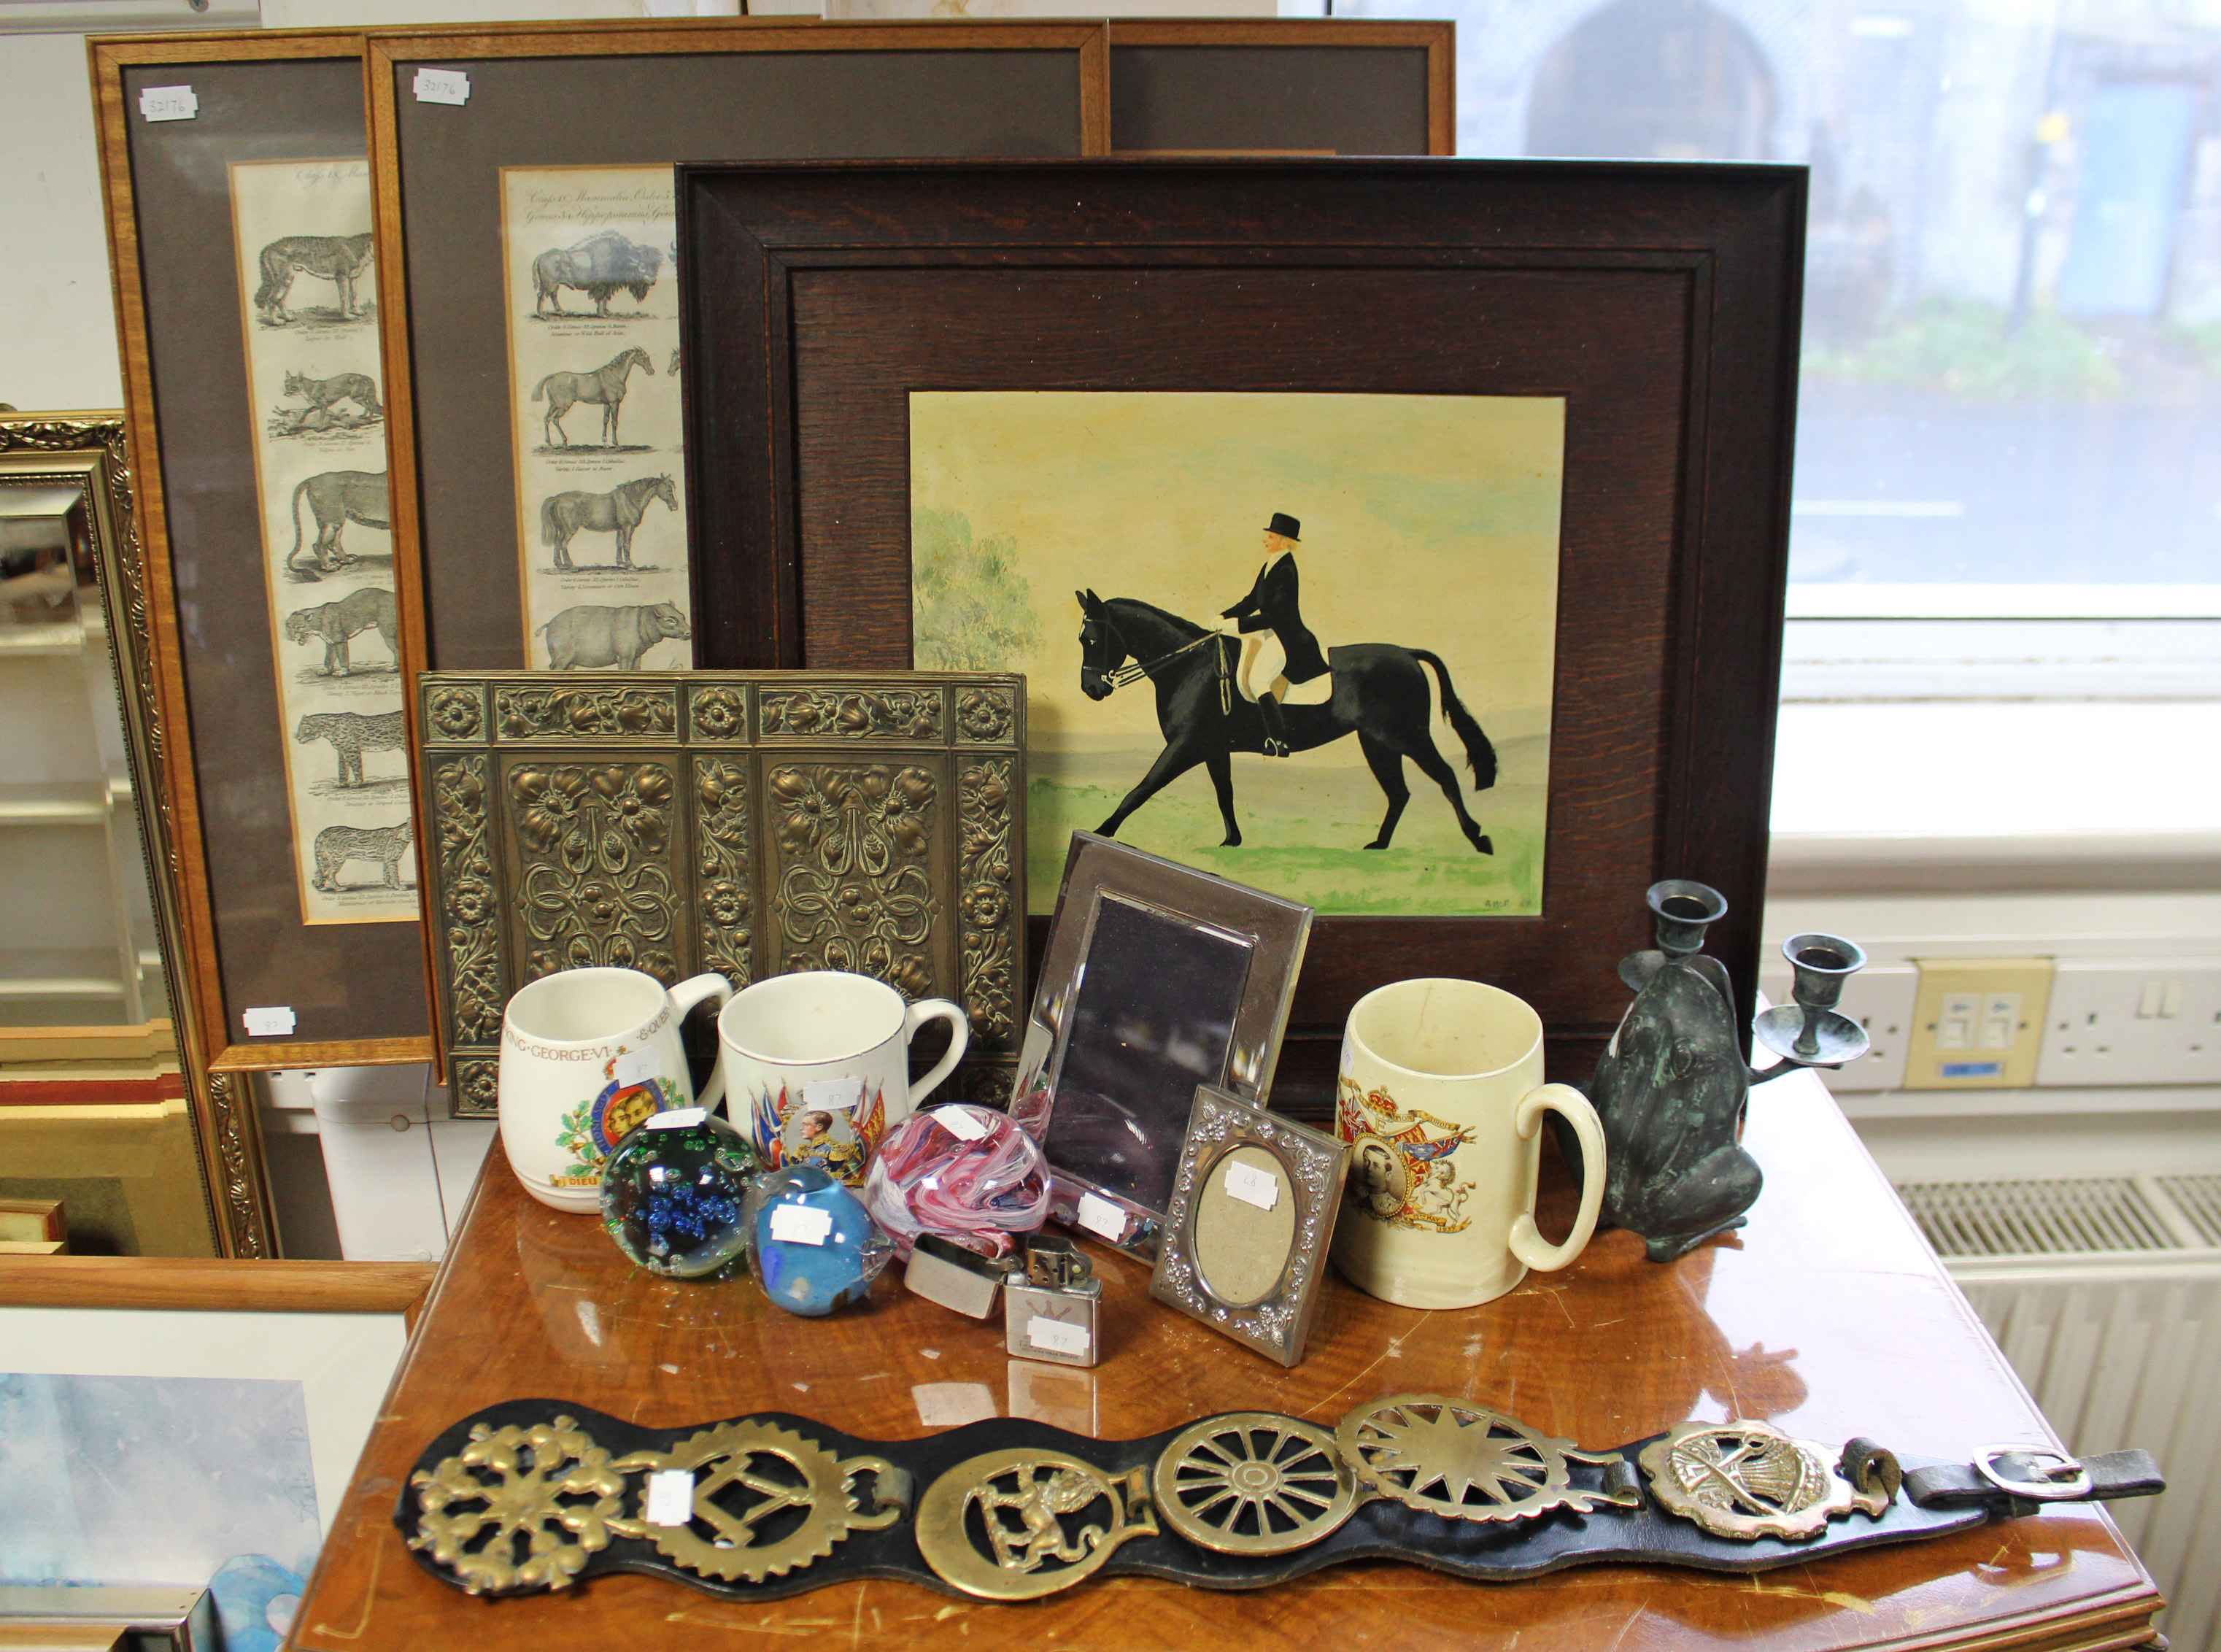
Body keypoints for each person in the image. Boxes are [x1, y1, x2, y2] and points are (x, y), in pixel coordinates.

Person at [1220, 512, 1326, 757]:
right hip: (1269, 633)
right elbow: (1251, 601)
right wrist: (1224, 617)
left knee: (1258, 681)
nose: (1265, 541)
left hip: (1286, 637)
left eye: (1270, 537)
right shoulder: (1270, 564)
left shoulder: (1287, 569)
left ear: (1285, 541)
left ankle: (1280, 741)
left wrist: (1238, 626)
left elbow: (1277, 616)